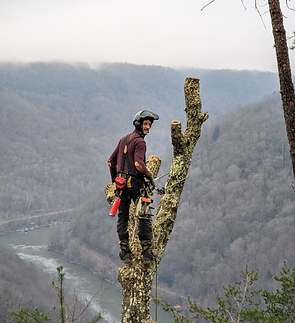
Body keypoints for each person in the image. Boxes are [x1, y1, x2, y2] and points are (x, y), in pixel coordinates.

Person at [108, 110, 159, 264]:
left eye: (149, 124)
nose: (148, 127)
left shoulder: (123, 140)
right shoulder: (140, 142)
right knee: (144, 214)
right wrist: (150, 176)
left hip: (121, 185)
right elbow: (138, 163)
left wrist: (114, 181)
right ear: (138, 123)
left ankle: (125, 252)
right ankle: (146, 253)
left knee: (123, 216)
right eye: (145, 124)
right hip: (136, 184)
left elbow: (111, 162)